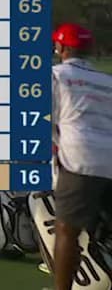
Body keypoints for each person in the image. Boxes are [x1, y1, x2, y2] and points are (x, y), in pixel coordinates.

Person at [45, 23, 112, 290]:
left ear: (61, 48)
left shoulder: (56, 75)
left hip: (81, 158)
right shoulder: (107, 80)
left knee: (67, 230)